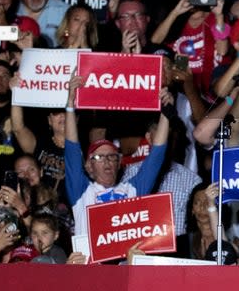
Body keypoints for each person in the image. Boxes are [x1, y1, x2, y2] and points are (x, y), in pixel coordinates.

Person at [63, 77, 170, 237]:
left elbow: (157, 154)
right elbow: (71, 148)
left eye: (112, 156)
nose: (106, 160)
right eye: (99, 157)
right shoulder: (82, 191)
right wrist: (70, 104)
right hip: (89, 262)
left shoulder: (132, 190)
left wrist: (166, 112)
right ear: (88, 166)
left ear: (119, 163)